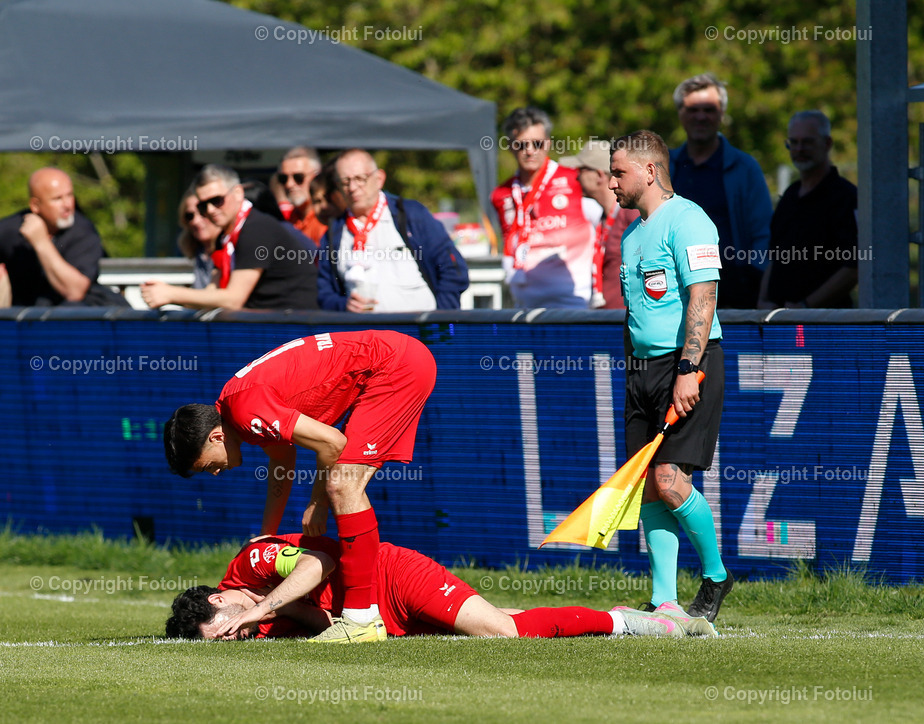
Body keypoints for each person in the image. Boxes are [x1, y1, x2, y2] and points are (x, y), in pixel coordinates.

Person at [162, 330, 436, 643]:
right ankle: (363, 615)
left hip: (395, 366)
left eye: (208, 465)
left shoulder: (243, 412)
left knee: (342, 488)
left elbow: (332, 443)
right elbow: (282, 462)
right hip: (395, 360)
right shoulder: (237, 409)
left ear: (216, 438)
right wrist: (267, 535)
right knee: (341, 485)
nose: (214, 473)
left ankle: (360, 619)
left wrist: (317, 504)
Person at [610, 129, 733, 624]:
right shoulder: (632, 233)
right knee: (649, 487)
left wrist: (689, 367)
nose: (612, 182)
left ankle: (718, 575)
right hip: (642, 371)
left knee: (671, 479)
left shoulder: (689, 219)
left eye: (619, 172)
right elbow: (634, 314)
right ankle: (664, 599)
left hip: (685, 365)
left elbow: (703, 295)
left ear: (650, 171)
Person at [165, 532, 716, 641]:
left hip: (391, 575)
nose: (237, 633)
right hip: (377, 617)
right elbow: (322, 622)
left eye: (228, 624)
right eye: (227, 639)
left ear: (220, 597)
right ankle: (638, 618)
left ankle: (643, 623)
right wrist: (263, 621)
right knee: (507, 623)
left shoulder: (251, 566)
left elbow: (318, 565)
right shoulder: (253, 628)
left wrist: (258, 607)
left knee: (501, 632)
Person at [140, 165, 317, 311]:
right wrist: (165, 294)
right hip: (264, 326)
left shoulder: (257, 228)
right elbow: (212, 293)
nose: (210, 210)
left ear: (238, 193)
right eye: (203, 205)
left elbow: (233, 299)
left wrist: (171, 293)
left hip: (295, 330)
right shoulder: (225, 236)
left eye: (217, 200)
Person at [317, 149, 468, 313]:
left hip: (418, 333)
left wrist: (439, 321)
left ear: (379, 179)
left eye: (360, 179)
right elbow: (323, 292)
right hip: (362, 335)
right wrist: (343, 305)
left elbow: (453, 270)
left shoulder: (411, 215)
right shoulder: (335, 232)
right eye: (345, 182)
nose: (352, 187)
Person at [668, 74, 772, 309]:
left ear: (722, 114)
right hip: (675, 294)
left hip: (733, 297)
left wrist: (752, 278)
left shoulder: (744, 168)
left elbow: (763, 233)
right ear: (680, 114)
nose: (701, 117)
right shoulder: (667, 167)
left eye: (709, 109)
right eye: (693, 109)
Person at [491, 107, 597, 309]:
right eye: (521, 145)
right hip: (524, 304)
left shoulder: (574, 179)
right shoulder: (500, 194)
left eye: (537, 143)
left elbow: (607, 224)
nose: (530, 151)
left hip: (574, 301)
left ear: (548, 143)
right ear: (510, 146)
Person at [758, 111, 859, 309]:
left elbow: (854, 267)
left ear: (827, 143)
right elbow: (774, 257)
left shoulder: (845, 197)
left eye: (807, 142)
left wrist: (806, 308)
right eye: (793, 143)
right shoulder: (789, 196)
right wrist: (762, 302)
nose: (799, 149)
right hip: (780, 325)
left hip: (824, 327)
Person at [0, 167, 120, 307]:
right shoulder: (11, 228)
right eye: (57, 198)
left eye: (69, 195)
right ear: (35, 205)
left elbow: (75, 292)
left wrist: (41, 242)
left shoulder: (83, 231)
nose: (67, 205)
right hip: (24, 320)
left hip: (75, 318)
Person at [559, 139, 640, 310]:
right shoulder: (603, 217)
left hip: (626, 323)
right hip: (606, 322)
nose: (576, 176)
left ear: (599, 175)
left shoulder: (631, 214)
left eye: (581, 170)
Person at [276, 146, 328, 244]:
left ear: (316, 177)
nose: (289, 184)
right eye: (283, 178)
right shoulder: (287, 219)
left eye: (298, 177)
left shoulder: (325, 219)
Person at [175, 186, 223, 290]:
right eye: (189, 216)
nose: (195, 221)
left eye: (202, 212)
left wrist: (172, 294)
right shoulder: (198, 252)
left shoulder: (230, 247)